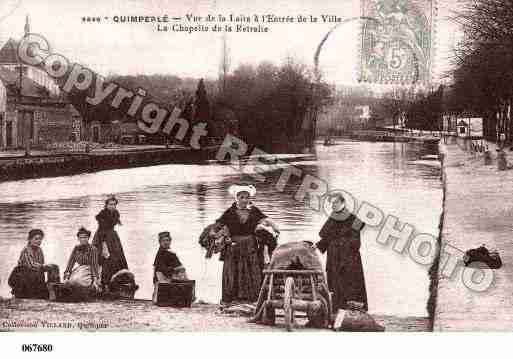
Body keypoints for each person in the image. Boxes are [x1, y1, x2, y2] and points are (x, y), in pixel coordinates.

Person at [216, 184, 279, 304]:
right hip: (234, 246)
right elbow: (219, 225)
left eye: (247, 197)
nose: (245, 200)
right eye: (242, 197)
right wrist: (219, 237)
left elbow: (265, 220)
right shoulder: (229, 212)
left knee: (251, 270)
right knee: (233, 271)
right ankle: (232, 298)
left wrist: (275, 227)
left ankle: (251, 298)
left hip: (250, 245)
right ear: (237, 198)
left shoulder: (254, 211)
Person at [314, 193, 368, 312]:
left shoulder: (354, 219)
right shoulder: (333, 217)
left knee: (350, 284)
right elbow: (327, 237)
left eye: (335, 203)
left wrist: (341, 245)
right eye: (331, 203)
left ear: (343, 203)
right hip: (333, 258)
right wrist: (317, 245)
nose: (333, 205)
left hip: (349, 260)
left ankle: (353, 312)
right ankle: (335, 310)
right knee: (334, 283)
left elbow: (356, 242)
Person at [8, 229, 60, 299]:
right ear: (29, 239)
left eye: (40, 239)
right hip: (22, 278)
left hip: (33, 275)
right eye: (36, 239)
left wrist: (49, 267)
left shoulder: (39, 250)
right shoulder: (26, 250)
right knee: (43, 269)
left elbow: (40, 265)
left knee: (54, 267)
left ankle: (54, 288)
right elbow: (31, 265)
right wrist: (45, 267)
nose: (38, 241)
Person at [92, 195, 128, 292]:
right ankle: (103, 283)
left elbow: (115, 221)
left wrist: (118, 221)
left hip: (112, 237)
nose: (112, 206)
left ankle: (115, 281)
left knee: (117, 258)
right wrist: (104, 247)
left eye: (114, 204)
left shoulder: (115, 213)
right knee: (104, 259)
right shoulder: (102, 215)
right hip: (102, 238)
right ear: (106, 205)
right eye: (110, 204)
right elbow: (102, 230)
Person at [63, 227, 101, 296]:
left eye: (85, 237)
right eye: (81, 237)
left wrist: (95, 279)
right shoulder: (76, 248)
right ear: (78, 238)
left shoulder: (93, 249)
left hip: (90, 270)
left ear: (88, 238)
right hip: (80, 269)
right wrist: (67, 274)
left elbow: (94, 264)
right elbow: (71, 262)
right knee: (70, 281)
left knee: (78, 281)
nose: (83, 239)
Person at [152, 231, 187, 303]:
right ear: (160, 242)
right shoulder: (160, 254)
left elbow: (178, 265)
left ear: (170, 241)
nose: (166, 242)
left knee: (183, 273)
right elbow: (161, 268)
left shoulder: (171, 253)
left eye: (168, 240)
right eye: (164, 240)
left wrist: (180, 269)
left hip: (170, 276)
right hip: (162, 278)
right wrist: (174, 269)